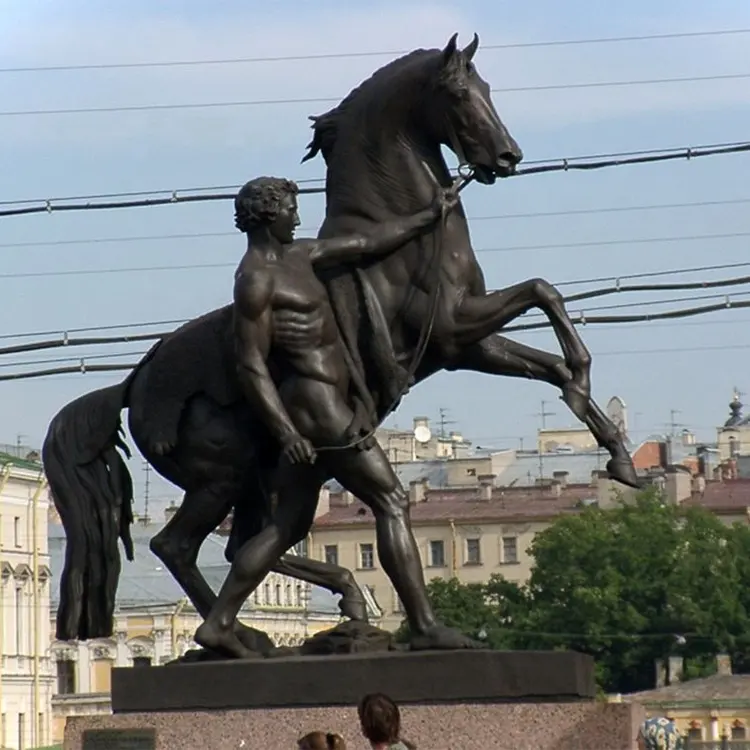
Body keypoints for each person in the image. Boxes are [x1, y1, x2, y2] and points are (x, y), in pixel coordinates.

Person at [194, 176, 464, 658]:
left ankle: (218, 623)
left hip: (323, 403)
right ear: (266, 214)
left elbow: (364, 242)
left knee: (285, 527)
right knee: (391, 500)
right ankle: (423, 625)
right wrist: (287, 432)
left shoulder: (298, 256)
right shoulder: (256, 278)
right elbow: (251, 365)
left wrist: (429, 215)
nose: (297, 217)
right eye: (290, 210)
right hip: (317, 408)